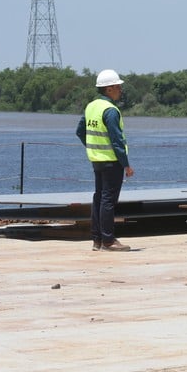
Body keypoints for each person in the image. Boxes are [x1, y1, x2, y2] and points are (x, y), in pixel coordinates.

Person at [76, 69, 134, 251]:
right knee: (108, 200)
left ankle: (97, 240)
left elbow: (80, 131)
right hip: (111, 161)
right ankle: (108, 241)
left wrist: (92, 146)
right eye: (117, 87)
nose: (120, 90)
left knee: (99, 198)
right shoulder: (110, 111)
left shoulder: (91, 106)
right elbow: (117, 141)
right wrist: (126, 165)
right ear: (108, 89)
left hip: (96, 160)